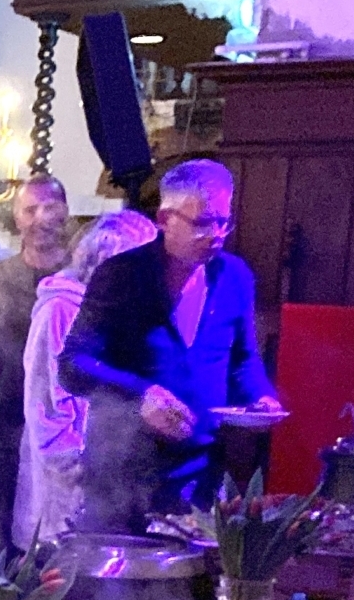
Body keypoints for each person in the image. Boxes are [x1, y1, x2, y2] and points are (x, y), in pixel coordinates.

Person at [60, 158, 284, 528]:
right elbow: (73, 364)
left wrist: (259, 398)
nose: (215, 235)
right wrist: (141, 395)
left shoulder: (234, 276)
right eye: (202, 223)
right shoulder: (121, 276)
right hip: (123, 470)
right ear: (165, 220)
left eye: (223, 222)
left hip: (202, 469)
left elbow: (243, 360)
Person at [17, 210, 157, 544]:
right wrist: (79, 471)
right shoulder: (60, 310)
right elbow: (44, 408)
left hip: (108, 482)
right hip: (65, 493)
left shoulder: (120, 312)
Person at [0, 174, 69, 549]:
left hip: (60, 440)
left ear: (66, 213)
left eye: (50, 207)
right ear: (17, 218)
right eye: (30, 209)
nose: (41, 218)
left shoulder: (82, 281)